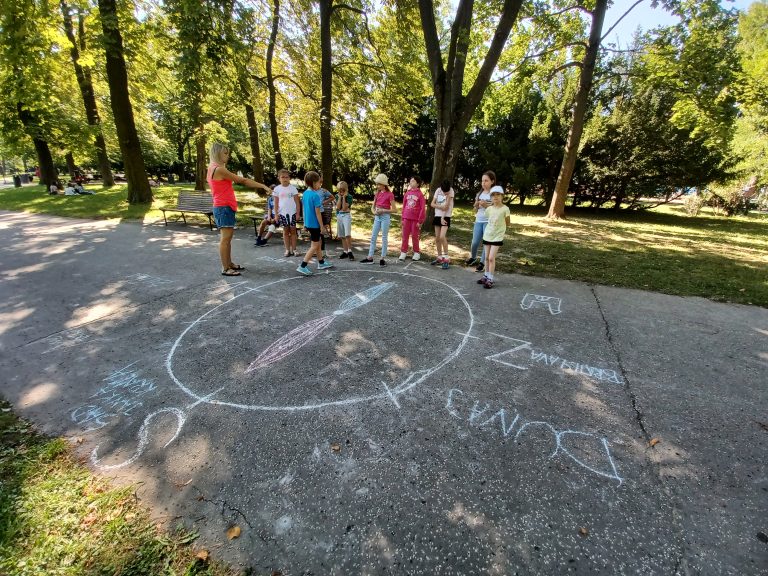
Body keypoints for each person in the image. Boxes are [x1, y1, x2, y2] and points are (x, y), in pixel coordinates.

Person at [207, 142, 271, 276]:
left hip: (224, 206)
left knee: (228, 238)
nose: (228, 156)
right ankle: (225, 268)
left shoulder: (213, 167)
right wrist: (263, 186)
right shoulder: (219, 169)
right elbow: (242, 181)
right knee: (225, 238)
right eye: (225, 153)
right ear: (217, 153)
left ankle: (229, 263)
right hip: (223, 206)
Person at [297, 171, 334, 275]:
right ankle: (303, 266)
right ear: (313, 183)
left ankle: (321, 262)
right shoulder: (315, 196)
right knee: (314, 245)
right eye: (318, 183)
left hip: (309, 223)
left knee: (318, 243)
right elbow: (318, 213)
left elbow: (304, 210)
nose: (320, 185)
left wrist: (304, 223)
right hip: (315, 224)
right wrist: (322, 226)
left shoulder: (305, 194)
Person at [477, 186, 510, 289]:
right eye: (493, 195)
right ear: (491, 197)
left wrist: (500, 229)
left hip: (497, 236)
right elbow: (487, 218)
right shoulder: (489, 209)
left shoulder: (505, 209)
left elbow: (508, 222)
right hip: (488, 235)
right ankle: (485, 276)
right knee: (486, 258)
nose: (495, 197)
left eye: (498, 194)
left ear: (502, 196)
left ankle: (490, 278)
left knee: (491, 258)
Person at [360, 173, 396, 266]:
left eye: (379, 184)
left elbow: (395, 209)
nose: (377, 186)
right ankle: (370, 257)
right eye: (377, 184)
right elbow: (373, 207)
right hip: (377, 217)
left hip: (385, 217)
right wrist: (374, 212)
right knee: (373, 237)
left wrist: (383, 210)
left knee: (384, 237)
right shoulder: (377, 193)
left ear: (384, 185)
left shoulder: (390, 195)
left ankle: (382, 258)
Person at [466, 171, 496, 273]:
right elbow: (475, 209)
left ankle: (483, 262)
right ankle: (473, 257)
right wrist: (476, 206)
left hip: (489, 221)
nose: (483, 183)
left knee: (485, 243)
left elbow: (496, 209)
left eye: (486, 181)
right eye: (482, 181)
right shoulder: (479, 193)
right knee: (474, 242)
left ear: (492, 181)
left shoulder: (494, 194)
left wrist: (486, 205)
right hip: (478, 220)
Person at [273, 168, 301, 257]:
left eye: (286, 177)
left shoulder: (293, 189)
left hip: (292, 213)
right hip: (283, 214)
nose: (285, 179)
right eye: (282, 177)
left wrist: (297, 213)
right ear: (279, 178)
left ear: (289, 178)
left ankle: (294, 249)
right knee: (285, 231)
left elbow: (297, 202)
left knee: (293, 231)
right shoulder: (277, 189)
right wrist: (276, 214)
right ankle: (287, 250)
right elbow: (276, 203)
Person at [398, 176, 426, 262]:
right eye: (410, 181)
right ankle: (403, 252)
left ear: (417, 184)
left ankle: (416, 253)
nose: (411, 182)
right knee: (405, 236)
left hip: (415, 220)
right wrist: (402, 218)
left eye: (413, 181)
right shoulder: (407, 193)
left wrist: (420, 220)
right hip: (406, 218)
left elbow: (422, 208)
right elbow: (404, 206)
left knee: (414, 236)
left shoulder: (420, 195)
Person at [430, 179, 455, 269]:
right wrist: (440, 206)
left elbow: (447, 206)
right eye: (444, 192)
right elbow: (432, 204)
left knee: (442, 237)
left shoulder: (451, 191)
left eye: (446, 192)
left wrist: (442, 218)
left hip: (446, 216)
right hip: (438, 215)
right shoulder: (438, 190)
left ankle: (446, 258)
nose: (445, 194)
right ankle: (440, 257)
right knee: (437, 238)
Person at [335, 181, 354, 260]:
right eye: (339, 191)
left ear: (346, 190)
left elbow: (344, 208)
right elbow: (338, 207)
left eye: (343, 191)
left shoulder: (349, 197)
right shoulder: (337, 196)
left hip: (346, 215)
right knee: (342, 235)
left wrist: (344, 197)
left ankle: (350, 251)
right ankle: (345, 251)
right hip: (339, 216)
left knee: (347, 234)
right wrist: (340, 197)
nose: (341, 192)